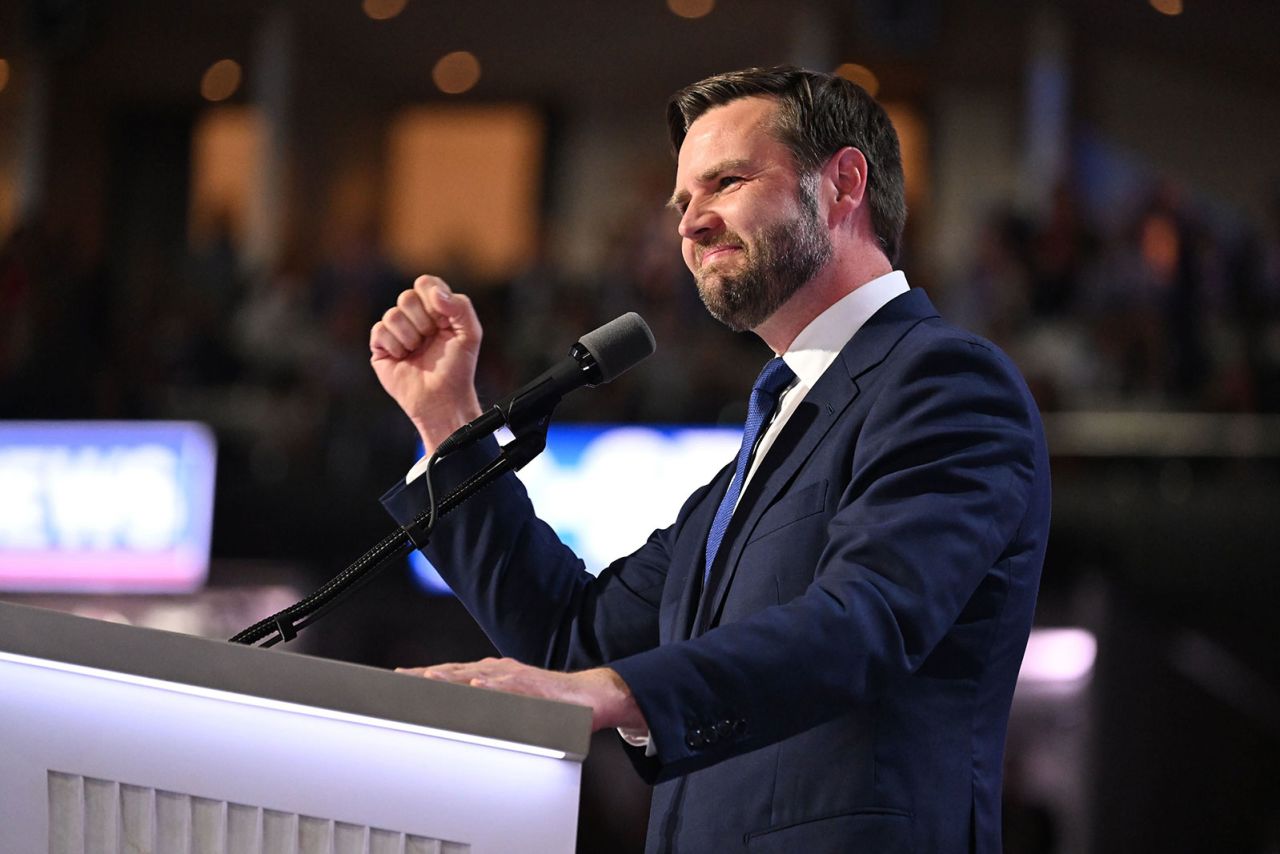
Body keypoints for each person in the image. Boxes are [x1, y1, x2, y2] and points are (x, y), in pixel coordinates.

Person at [370, 66, 1050, 854]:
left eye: (725, 182)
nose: (690, 225)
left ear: (843, 183)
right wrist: (447, 418)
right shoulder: (756, 458)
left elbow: (867, 619)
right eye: (682, 203)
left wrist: (616, 692)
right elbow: (570, 642)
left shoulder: (946, 381)